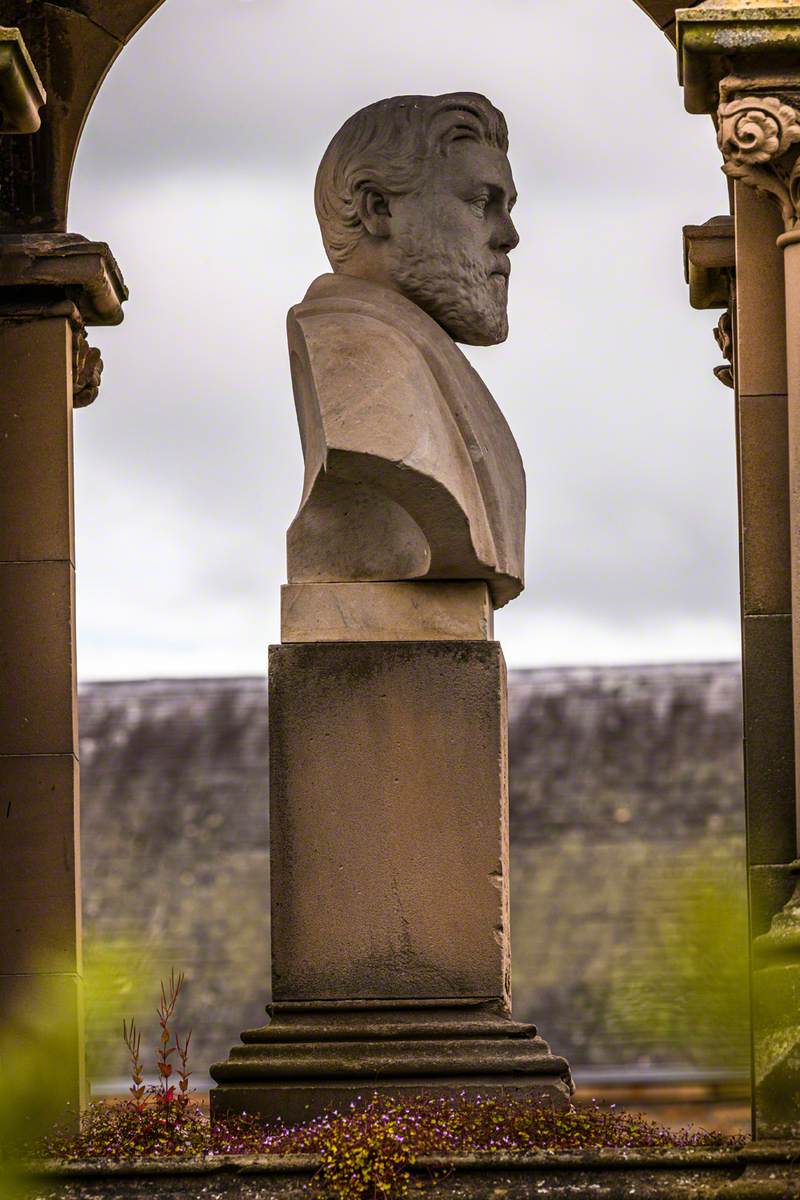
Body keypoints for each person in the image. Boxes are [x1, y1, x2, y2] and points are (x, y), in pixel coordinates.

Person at [287, 92, 525, 608]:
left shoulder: (426, 358)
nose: (508, 237)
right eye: (482, 204)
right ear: (379, 207)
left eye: (507, 209)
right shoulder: (358, 352)